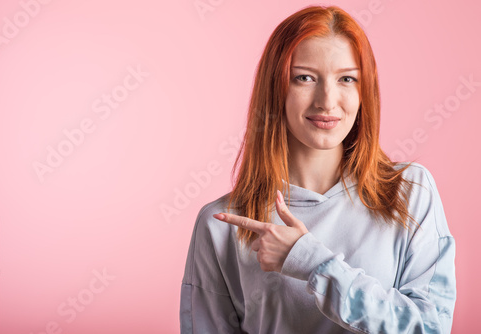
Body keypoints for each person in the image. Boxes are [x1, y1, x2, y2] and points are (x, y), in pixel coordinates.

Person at [179, 5, 456, 334]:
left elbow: (430, 327)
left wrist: (311, 262)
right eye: (305, 78)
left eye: (346, 79)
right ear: (276, 89)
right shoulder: (222, 223)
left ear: (364, 91)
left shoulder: (409, 191)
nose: (327, 100)